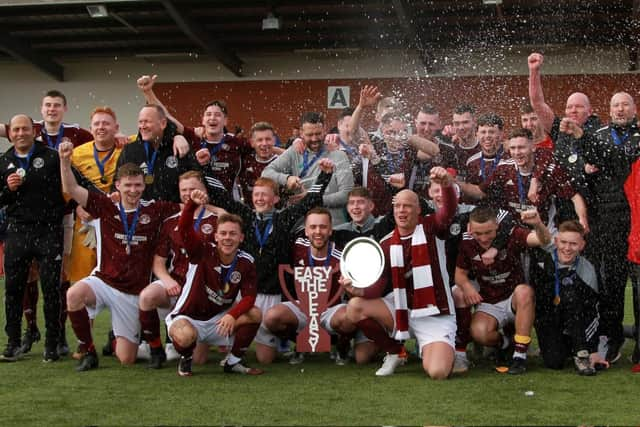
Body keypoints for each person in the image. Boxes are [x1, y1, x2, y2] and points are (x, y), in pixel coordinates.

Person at [60, 140, 180, 371]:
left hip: (133, 291)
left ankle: (135, 343)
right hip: (104, 280)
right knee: (74, 294)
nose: (133, 190)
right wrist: (65, 162)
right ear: (118, 185)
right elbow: (72, 189)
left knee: (127, 358)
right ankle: (89, 352)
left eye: (137, 185)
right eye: (128, 185)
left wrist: (212, 208)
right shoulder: (105, 206)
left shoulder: (154, 209)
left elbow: (186, 209)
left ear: (143, 186)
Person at [204, 160, 334, 364]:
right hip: (246, 294)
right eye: (256, 194)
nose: (259, 198)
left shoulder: (284, 219)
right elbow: (222, 196)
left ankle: (289, 340)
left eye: (264, 194)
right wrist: (204, 168)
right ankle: (234, 349)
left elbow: (310, 201)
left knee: (265, 359)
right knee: (235, 333)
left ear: (275, 198)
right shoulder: (245, 216)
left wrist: (325, 175)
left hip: (273, 295)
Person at [345, 168, 458, 379]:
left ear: (418, 210)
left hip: (434, 312)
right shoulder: (387, 242)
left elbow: (449, 211)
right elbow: (379, 287)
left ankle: (452, 351)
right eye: (397, 206)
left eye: (407, 206)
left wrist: (447, 185)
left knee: (438, 372)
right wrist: (357, 289)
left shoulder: (432, 227)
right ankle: (395, 352)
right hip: (401, 309)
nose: (401, 211)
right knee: (354, 307)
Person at [166, 192, 263, 377]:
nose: (228, 238)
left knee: (255, 314)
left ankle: (233, 362)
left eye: (233, 234)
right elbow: (184, 228)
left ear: (241, 238)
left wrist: (232, 315)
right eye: (223, 233)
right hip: (188, 317)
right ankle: (186, 358)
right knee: (186, 338)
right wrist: (192, 205)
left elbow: (249, 297)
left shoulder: (246, 261)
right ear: (216, 236)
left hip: (219, 320)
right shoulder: (202, 251)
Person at [138, 171, 220, 369]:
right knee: (147, 296)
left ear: (203, 191)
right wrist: (167, 280)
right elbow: (158, 261)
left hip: (203, 291)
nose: (188, 193)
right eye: (184, 190)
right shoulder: (171, 221)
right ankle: (156, 349)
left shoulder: (218, 219)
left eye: (193, 189)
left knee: (199, 359)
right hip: (177, 282)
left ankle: (180, 342)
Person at [0, 114, 66, 362]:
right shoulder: (3, 161)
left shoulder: (51, 156)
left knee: (51, 289)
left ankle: (52, 343)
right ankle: (13, 342)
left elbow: (72, 185)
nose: (20, 133)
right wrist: (9, 188)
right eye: (15, 129)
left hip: (49, 230)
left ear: (33, 130)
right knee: (13, 289)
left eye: (24, 129)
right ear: (10, 133)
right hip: (17, 231)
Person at [455, 206, 551, 375]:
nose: (484, 238)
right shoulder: (467, 242)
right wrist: (468, 288)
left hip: (514, 298)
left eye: (488, 232)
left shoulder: (511, 235)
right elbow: (460, 274)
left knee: (525, 292)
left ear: (497, 227)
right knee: (479, 333)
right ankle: (506, 344)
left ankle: (519, 356)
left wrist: (538, 224)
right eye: (478, 233)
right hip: (489, 301)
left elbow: (542, 240)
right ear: (470, 228)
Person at [582, 91, 640, 362]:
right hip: (608, 220)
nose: (620, 109)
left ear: (634, 108)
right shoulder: (598, 136)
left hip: (637, 219)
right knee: (613, 283)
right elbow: (585, 174)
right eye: (615, 105)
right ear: (609, 108)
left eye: (625, 104)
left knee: (638, 284)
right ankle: (613, 338)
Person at [263, 207, 355, 365]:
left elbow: (353, 291)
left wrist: (350, 288)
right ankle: (300, 344)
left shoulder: (342, 256)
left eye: (323, 227)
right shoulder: (297, 247)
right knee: (272, 318)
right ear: (305, 230)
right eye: (313, 227)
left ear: (331, 230)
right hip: (303, 308)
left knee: (350, 318)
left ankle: (341, 347)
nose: (318, 231)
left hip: (330, 310)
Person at [533, 220, 608, 375]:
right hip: (550, 321)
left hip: (578, 321)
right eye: (563, 242)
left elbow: (593, 312)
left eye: (573, 244)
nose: (567, 248)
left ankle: (582, 353)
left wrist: (592, 350)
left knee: (570, 294)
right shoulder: (541, 263)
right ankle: (564, 346)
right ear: (556, 241)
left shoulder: (587, 270)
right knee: (555, 362)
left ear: (581, 245)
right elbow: (536, 307)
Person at [262, 112, 354, 225]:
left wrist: (311, 199)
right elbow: (266, 173)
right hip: (301, 228)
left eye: (318, 133)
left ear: (324, 129)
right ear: (301, 133)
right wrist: (287, 179)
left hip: (333, 226)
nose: (314, 139)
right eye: (310, 135)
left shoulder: (338, 155)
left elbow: (347, 195)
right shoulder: (295, 152)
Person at [115, 104, 196, 203]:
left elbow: (196, 181)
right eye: (140, 122)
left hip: (174, 213)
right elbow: (117, 180)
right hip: (139, 214)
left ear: (163, 124)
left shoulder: (180, 147)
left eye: (147, 121)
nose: (142, 126)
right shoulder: (130, 150)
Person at [237, 121, 280, 207]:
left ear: (274, 140)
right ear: (252, 143)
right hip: (248, 214)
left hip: (277, 216)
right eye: (260, 140)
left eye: (268, 139)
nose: (264, 143)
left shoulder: (282, 162)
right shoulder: (244, 161)